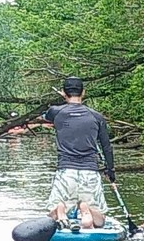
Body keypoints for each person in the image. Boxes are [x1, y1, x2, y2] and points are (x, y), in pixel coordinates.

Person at [45, 77, 117, 230]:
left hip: (66, 171)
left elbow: (48, 115)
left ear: (64, 93)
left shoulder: (55, 112)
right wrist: (110, 171)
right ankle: (86, 210)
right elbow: (106, 146)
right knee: (100, 221)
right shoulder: (97, 117)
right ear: (83, 92)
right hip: (90, 171)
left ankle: (60, 209)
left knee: (52, 216)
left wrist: (64, 101)